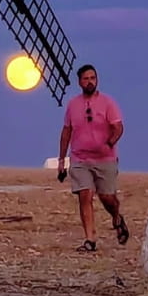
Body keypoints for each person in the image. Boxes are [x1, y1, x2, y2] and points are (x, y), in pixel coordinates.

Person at [57, 64, 129, 252]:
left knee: (107, 197)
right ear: (79, 82)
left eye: (93, 78)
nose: (90, 82)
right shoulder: (73, 105)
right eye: (86, 79)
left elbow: (118, 127)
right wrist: (61, 160)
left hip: (105, 159)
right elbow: (66, 132)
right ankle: (90, 239)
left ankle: (117, 217)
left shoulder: (108, 103)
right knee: (85, 194)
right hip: (80, 158)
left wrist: (109, 143)